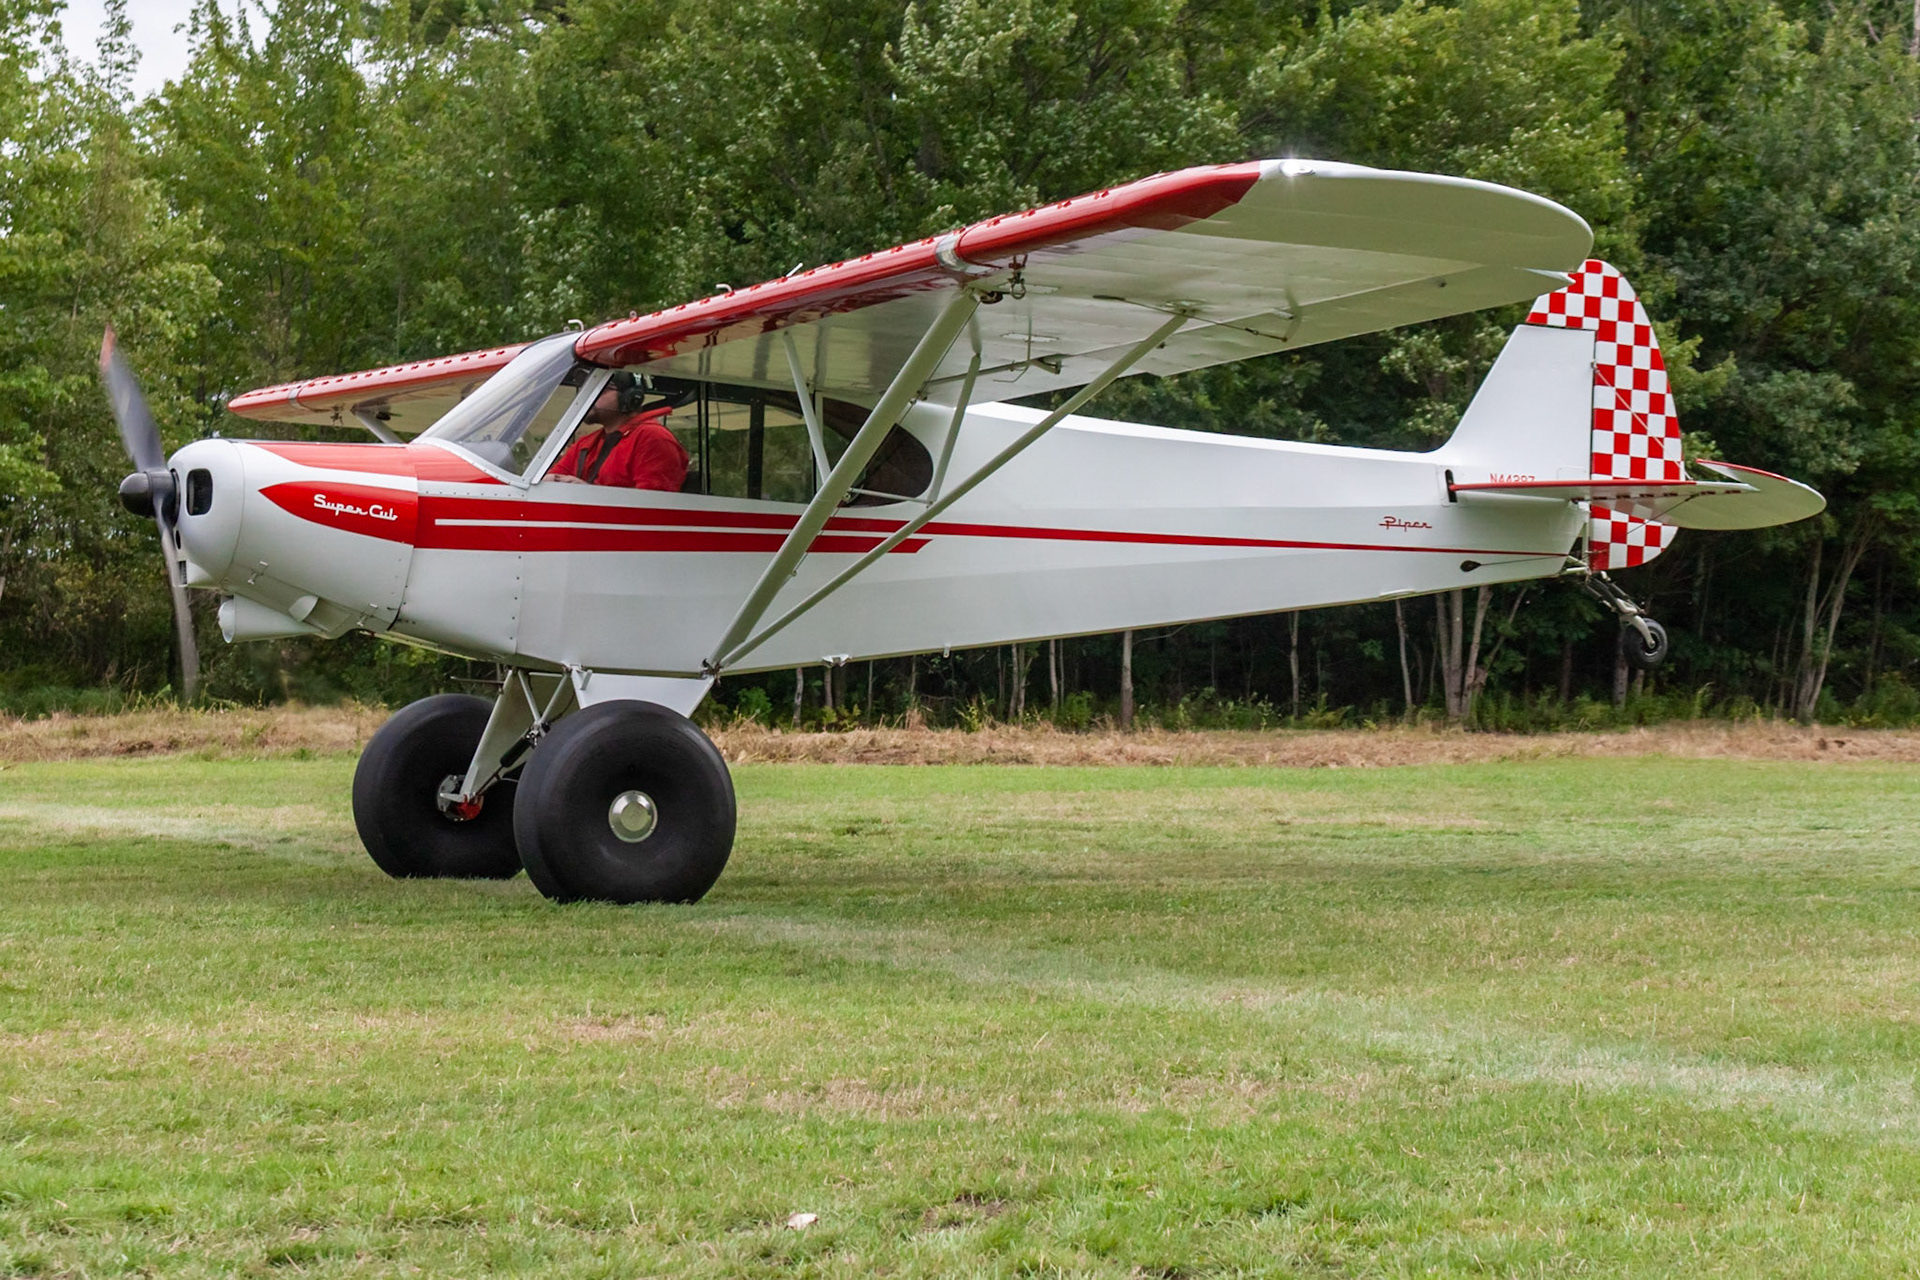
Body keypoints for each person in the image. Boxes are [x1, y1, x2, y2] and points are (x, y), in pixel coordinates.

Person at [548, 373, 689, 491]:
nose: (588, 397)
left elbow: (652, 507)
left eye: (601, 389)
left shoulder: (653, 438)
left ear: (630, 397)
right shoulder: (585, 444)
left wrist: (590, 494)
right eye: (586, 390)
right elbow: (547, 483)